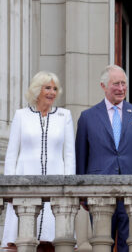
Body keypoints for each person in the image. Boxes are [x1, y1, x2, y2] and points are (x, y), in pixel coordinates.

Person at [76, 65, 132, 252]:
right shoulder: (87, 117)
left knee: (131, 245)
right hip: (99, 192)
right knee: (102, 245)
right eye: (116, 84)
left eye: (123, 83)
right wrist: (82, 195)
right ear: (103, 86)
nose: (121, 88)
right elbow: (81, 158)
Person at [2, 71, 75, 251]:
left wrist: (70, 188)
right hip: (24, 181)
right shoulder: (21, 115)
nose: (52, 92)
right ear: (37, 90)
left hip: (56, 183)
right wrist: (9, 188)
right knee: (21, 240)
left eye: (55, 89)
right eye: (47, 88)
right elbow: (12, 154)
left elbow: (69, 155)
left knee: (53, 240)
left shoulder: (64, 116)